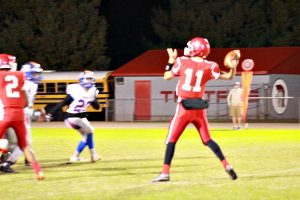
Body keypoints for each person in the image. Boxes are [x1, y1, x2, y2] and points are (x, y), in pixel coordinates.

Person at [152, 37, 238, 182]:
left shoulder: (182, 61)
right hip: (199, 109)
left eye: (191, 46)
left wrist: (171, 60)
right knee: (207, 139)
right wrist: (233, 66)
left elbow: (166, 76)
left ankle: (165, 173)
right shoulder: (210, 66)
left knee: (171, 139)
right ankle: (227, 165)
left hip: (184, 108)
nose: (189, 48)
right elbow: (230, 76)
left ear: (197, 49)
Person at [0, 54, 44, 180]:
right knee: (24, 145)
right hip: (19, 115)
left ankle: (4, 158)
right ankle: (38, 172)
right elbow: (25, 102)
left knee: (8, 143)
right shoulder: (19, 76)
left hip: (5, 114)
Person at [46, 70, 101, 163]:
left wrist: (94, 99)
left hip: (81, 117)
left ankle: (79, 156)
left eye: (91, 79)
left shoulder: (92, 91)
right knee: (89, 132)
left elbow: (96, 107)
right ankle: (90, 155)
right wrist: (50, 113)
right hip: (72, 118)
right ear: (82, 79)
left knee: (87, 135)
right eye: (88, 79)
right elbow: (62, 103)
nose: (89, 81)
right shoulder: (75, 90)